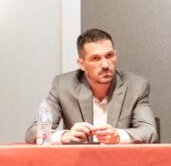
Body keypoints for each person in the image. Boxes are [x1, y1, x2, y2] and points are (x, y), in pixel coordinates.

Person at [25, 29, 158, 144]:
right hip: (79, 162)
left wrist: (118, 136)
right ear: (81, 64)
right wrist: (65, 136)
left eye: (109, 56)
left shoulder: (136, 87)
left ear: (115, 55)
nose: (105, 65)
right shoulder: (63, 86)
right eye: (95, 58)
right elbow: (33, 132)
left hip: (119, 162)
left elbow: (149, 132)